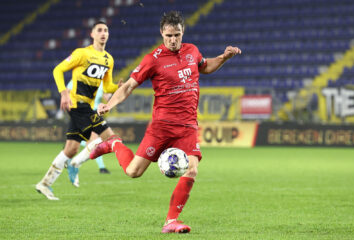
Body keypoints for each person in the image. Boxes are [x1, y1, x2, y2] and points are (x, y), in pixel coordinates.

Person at [90, 11, 241, 233]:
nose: (173, 40)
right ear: (162, 33)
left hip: (188, 126)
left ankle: (171, 221)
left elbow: (205, 66)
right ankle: (114, 143)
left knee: (192, 169)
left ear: (182, 32)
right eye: (169, 35)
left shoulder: (192, 51)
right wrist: (109, 105)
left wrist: (224, 58)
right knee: (133, 172)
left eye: (177, 35)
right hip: (161, 127)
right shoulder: (153, 59)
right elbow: (129, 85)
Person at [36, 21, 119, 200]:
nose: (103, 33)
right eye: (99, 30)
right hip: (76, 104)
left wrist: (120, 86)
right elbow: (58, 70)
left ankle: (45, 184)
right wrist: (64, 94)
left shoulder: (109, 59)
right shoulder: (82, 53)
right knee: (110, 138)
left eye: (106, 30)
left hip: (86, 106)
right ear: (92, 34)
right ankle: (76, 164)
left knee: (71, 148)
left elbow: (107, 86)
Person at [66, 80, 111, 180]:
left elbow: (106, 96)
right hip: (82, 112)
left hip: (94, 113)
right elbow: (67, 92)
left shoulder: (101, 82)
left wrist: (109, 98)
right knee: (96, 141)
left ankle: (69, 152)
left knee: (93, 141)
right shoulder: (77, 78)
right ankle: (101, 167)